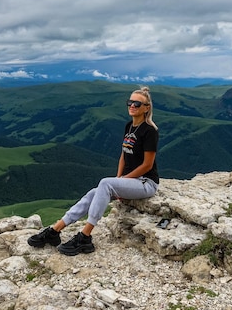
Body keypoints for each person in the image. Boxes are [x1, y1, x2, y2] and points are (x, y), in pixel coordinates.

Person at [28, 86, 159, 256]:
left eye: (137, 103)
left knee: (105, 183)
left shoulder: (150, 131)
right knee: (92, 194)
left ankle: (85, 236)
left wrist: (120, 182)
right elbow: (124, 155)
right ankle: (55, 230)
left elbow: (147, 165)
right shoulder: (130, 126)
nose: (132, 106)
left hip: (146, 183)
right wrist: (119, 180)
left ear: (146, 107)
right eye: (130, 102)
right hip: (131, 180)